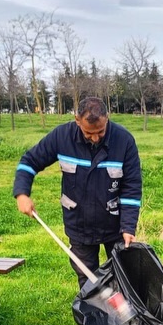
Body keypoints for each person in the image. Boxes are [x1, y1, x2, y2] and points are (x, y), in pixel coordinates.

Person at [13, 97, 143, 289]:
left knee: (122, 277)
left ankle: (125, 318)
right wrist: (22, 194)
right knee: (87, 281)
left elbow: (132, 186)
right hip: (78, 224)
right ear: (77, 120)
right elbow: (29, 161)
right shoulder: (61, 136)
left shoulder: (124, 140)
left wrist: (128, 227)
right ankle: (92, 318)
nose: (96, 138)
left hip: (114, 224)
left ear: (107, 118)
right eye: (89, 132)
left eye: (100, 131)